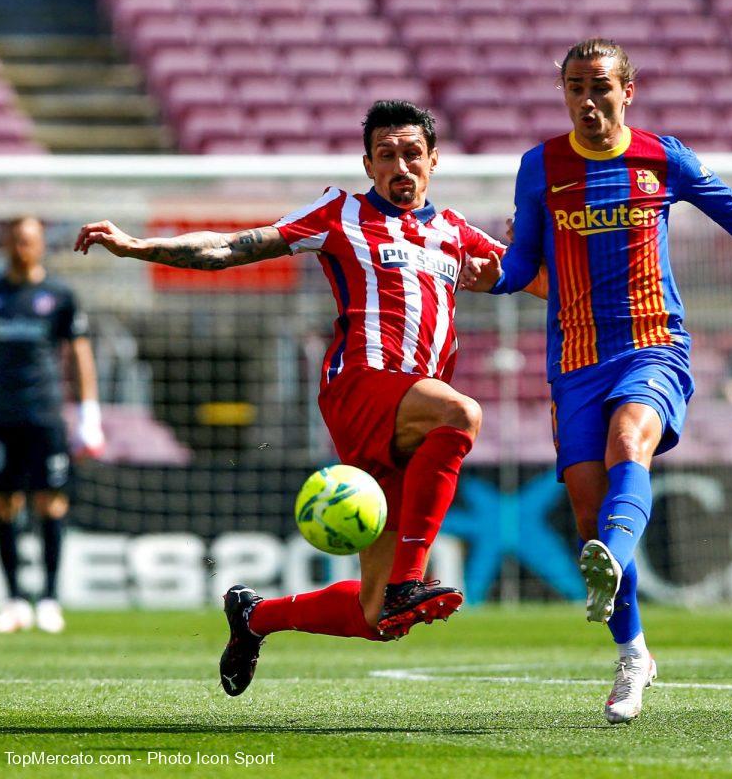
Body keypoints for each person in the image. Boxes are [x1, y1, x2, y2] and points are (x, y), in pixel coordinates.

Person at [75, 100, 543, 696]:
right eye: (386, 155)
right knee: (461, 412)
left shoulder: (455, 233)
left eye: (412, 154)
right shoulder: (340, 213)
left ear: (433, 161)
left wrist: (542, 258)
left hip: (408, 419)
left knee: (379, 620)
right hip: (360, 389)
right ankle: (409, 578)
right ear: (367, 164)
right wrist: (142, 248)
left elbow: (542, 283)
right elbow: (235, 246)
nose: (401, 166)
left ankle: (253, 617)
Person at [462, 38, 732, 723]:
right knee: (587, 507)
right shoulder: (540, 166)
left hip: (652, 344)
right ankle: (634, 653)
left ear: (627, 90)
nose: (587, 99)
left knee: (628, 442)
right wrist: (491, 279)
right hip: (575, 359)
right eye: (575, 86)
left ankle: (612, 554)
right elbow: (521, 264)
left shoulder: (662, 157)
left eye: (600, 85)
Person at [0, 216, 105, 635]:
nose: (21, 247)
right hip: (0, 417)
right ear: (6, 244)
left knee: (51, 502)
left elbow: (79, 354)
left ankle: (51, 599)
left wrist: (89, 414)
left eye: (29, 241)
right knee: (4, 505)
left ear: (40, 245)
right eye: (15, 240)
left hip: (45, 415)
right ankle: (15, 601)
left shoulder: (59, 295)